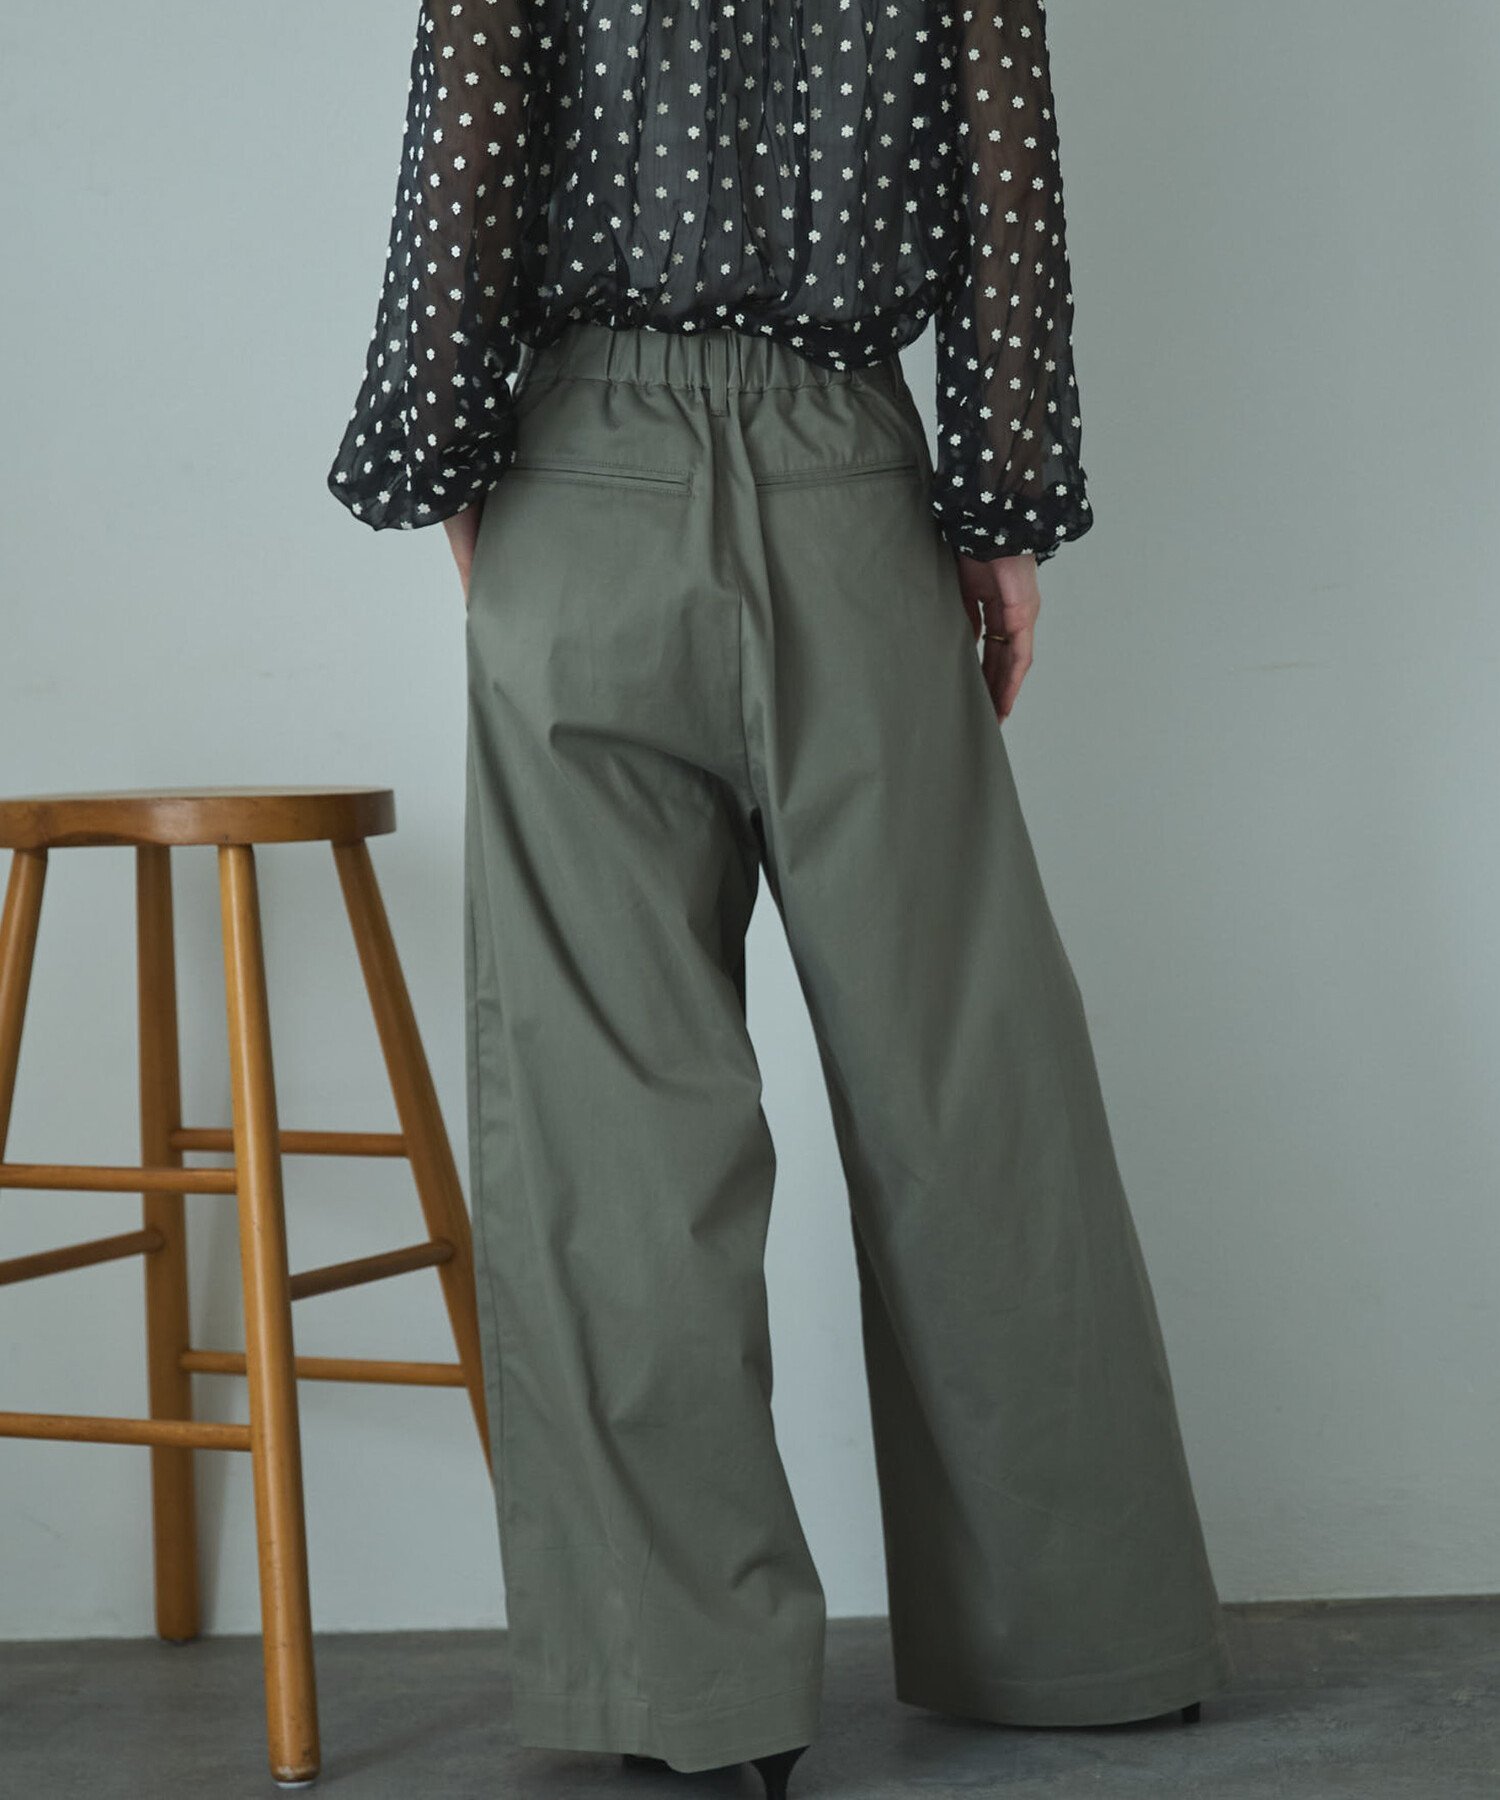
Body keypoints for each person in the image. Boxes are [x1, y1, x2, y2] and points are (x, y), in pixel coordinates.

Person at [326, 4, 1235, 1793]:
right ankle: (1087, 1642)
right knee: (967, 1075)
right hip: (852, 486)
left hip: (579, 482)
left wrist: (451, 474)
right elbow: (1006, 185)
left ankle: (693, 1697)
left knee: (609, 1110)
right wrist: (1000, 515)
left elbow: (469, 158)